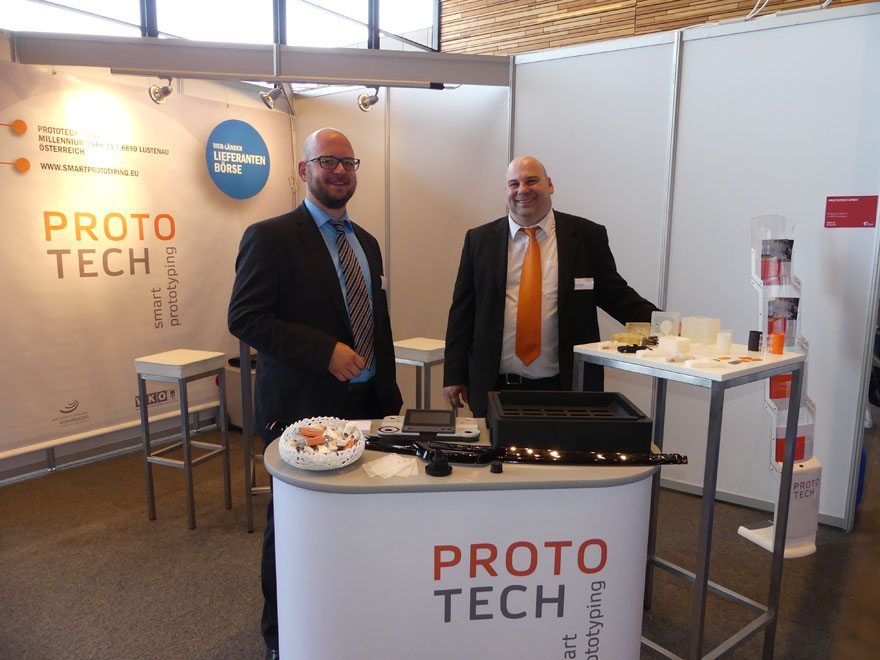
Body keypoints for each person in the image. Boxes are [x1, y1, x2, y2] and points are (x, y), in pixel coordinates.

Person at [228, 128, 402, 659]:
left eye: (348, 162)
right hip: (303, 409)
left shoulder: (366, 242)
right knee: (294, 531)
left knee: (358, 524)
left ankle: (347, 621)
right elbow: (245, 317)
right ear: (304, 171)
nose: (339, 170)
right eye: (327, 161)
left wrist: (388, 395)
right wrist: (324, 350)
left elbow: (377, 322)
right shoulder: (270, 236)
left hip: (366, 407)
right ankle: (282, 636)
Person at [443, 155, 658, 417]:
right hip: (495, 388)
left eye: (531, 181)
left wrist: (666, 326)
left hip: (566, 387)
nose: (522, 190)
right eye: (514, 184)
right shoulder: (479, 240)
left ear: (550, 185)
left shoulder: (587, 236)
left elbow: (617, 296)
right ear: (506, 191)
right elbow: (462, 313)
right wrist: (454, 374)